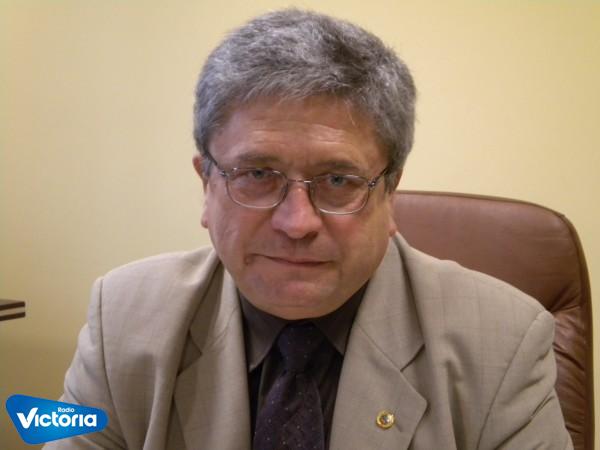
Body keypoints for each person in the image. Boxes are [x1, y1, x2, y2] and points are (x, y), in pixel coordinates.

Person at [46, 9, 573, 450]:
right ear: (206, 185)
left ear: (389, 194)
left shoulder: (502, 344)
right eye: (257, 174)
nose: (297, 222)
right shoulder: (123, 319)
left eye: (339, 181)